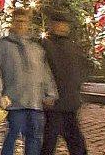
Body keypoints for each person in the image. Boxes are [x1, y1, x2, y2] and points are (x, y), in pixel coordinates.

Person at [0, 9, 58, 155]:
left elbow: (44, 72)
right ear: (13, 23)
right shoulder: (2, 46)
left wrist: (50, 93)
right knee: (13, 134)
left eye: (24, 21)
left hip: (35, 102)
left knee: (35, 137)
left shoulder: (36, 47)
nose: (21, 24)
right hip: (14, 101)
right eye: (18, 21)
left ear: (29, 23)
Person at [41, 10, 89, 155]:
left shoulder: (72, 46)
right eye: (59, 24)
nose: (62, 27)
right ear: (52, 25)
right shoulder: (45, 45)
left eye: (64, 24)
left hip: (69, 103)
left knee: (75, 143)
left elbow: (81, 69)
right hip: (54, 104)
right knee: (49, 142)